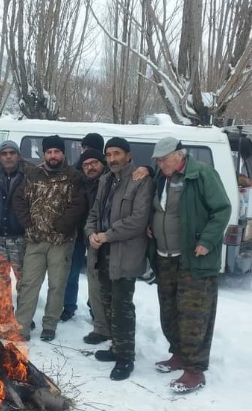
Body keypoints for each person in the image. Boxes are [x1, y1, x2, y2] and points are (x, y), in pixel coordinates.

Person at [148, 136, 231, 392]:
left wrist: (207, 240)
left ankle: (194, 371)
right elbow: (161, 209)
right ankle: (178, 354)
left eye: (164, 159)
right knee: (169, 311)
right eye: (158, 160)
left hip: (194, 259)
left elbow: (222, 210)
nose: (160, 164)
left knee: (194, 315)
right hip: (165, 257)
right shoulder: (162, 177)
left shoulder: (202, 174)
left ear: (179, 154)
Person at [84, 138, 154, 381]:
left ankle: (126, 357)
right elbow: (94, 213)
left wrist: (106, 235)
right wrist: (91, 233)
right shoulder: (105, 179)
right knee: (107, 304)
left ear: (129, 155)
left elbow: (138, 219)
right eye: (109, 154)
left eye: (117, 153)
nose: (112, 159)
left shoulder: (140, 180)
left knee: (122, 308)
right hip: (102, 253)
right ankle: (116, 347)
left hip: (125, 255)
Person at [13, 135, 88, 341]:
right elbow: (19, 200)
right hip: (35, 240)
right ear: (44, 154)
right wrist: (28, 224)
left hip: (61, 242)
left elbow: (78, 205)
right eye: (49, 152)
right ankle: (22, 326)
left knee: (57, 284)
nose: (52, 155)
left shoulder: (74, 176)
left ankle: (50, 324)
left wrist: (61, 227)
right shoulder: (32, 174)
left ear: (62, 153)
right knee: (29, 284)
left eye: (56, 151)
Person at [63, 133, 105, 322]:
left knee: (95, 274)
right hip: (77, 231)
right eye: (84, 148)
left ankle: (95, 307)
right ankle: (68, 306)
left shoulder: (107, 175)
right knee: (71, 272)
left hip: (99, 233)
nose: (85, 152)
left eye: (90, 148)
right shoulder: (75, 172)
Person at [0, 141, 26, 327]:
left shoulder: (28, 176)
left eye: (12, 153)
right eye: (4, 153)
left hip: (20, 236)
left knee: (24, 279)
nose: (8, 156)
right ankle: (4, 314)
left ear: (18, 155)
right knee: (0, 279)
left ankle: (24, 316)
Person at [77, 149, 112, 345]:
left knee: (114, 290)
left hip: (115, 242)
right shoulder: (84, 183)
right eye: (85, 164)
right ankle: (101, 328)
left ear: (103, 162)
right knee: (95, 288)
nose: (90, 167)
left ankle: (115, 329)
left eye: (94, 163)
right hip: (92, 242)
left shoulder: (112, 180)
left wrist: (147, 169)